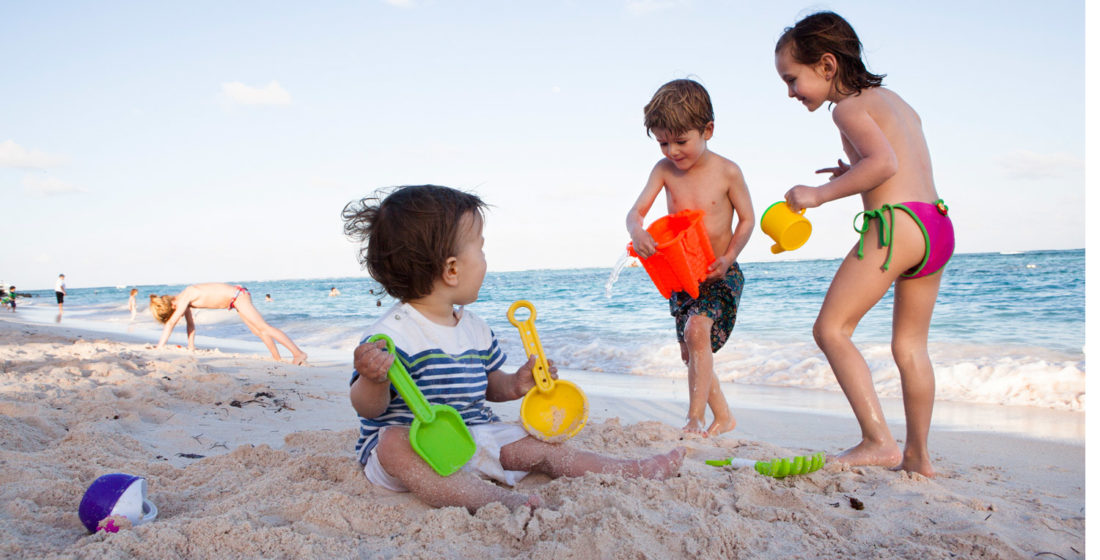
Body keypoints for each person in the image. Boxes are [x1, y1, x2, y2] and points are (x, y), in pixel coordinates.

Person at [344, 185, 685, 512]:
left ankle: (626, 469)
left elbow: (490, 385)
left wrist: (516, 384)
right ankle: (493, 500)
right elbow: (369, 410)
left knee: (540, 446)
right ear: (451, 269)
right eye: (479, 247)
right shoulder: (391, 336)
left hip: (472, 436)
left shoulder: (474, 329)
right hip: (415, 450)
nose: (484, 258)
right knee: (392, 443)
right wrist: (373, 380)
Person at [774, 12, 954, 477]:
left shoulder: (846, 108)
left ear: (827, 65)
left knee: (831, 329)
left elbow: (885, 164)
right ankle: (918, 457)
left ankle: (878, 440)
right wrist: (851, 169)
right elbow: (896, 157)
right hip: (935, 225)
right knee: (911, 347)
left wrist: (817, 195)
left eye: (793, 79)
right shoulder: (894, 100)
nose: (790, 92)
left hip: (897, 225)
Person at [625, 79, 754, 437]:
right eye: (663, 142)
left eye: (681, 141)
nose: (672, 151)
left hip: (718, 272)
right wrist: (638, 232)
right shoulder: (663, 170)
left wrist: (728, 258)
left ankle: (694, 419)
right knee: (690, 349)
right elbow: (635, 213)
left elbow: (747, 219)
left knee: (697, 330)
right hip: (681, 276)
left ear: (707, 130)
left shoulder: (728, 171)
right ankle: (724, 417)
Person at [150, 283, 308, 365]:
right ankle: (277, 359)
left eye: (173, 312)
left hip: (238, 295)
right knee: (258, 331)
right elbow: (190, 325)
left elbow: (171, 323)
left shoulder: (186, 295)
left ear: (171, 306)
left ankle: (298, 353)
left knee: (264, 327)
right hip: (235, 299)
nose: (176, 313)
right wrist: (191, 346)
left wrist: (160, 347)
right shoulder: (184, 300)